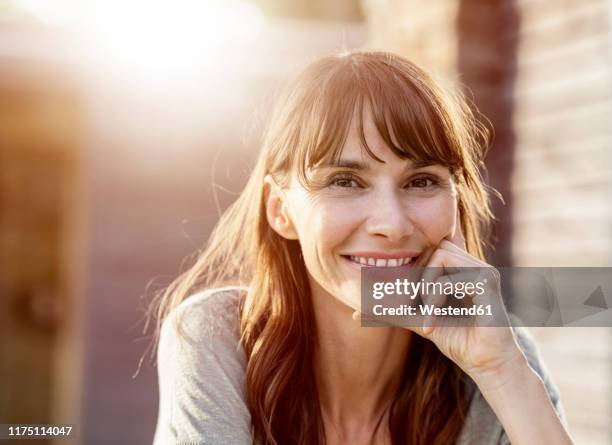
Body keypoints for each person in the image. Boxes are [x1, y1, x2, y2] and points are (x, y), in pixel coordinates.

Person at [150, 50, 573, 444]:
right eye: (345, 182)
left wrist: (501, 370)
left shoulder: (500, 354)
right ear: (280, 211)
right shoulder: (217, 338)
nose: (390, 224)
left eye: (421, 181)